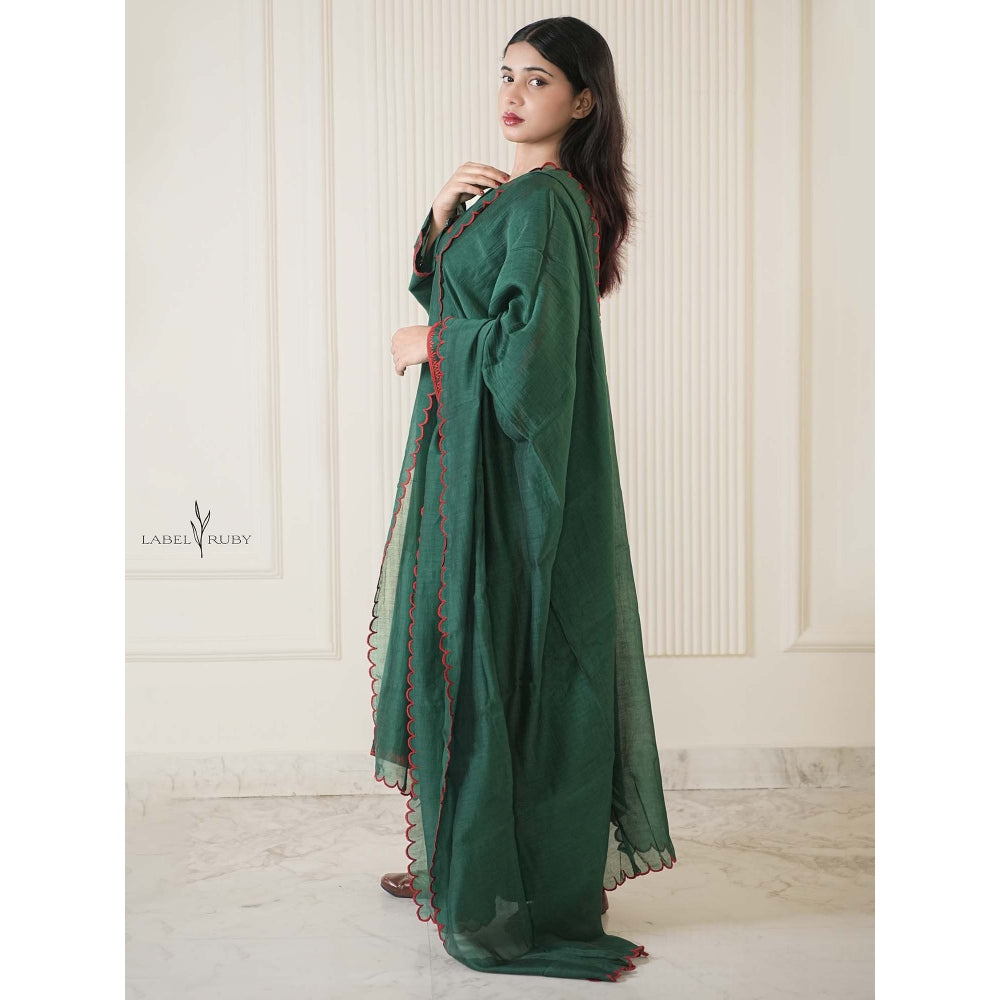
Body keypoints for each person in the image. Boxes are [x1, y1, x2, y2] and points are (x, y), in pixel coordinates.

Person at [366, 15, 677, 984]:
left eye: (537, 80)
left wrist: (428, 346)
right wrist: (438, 219)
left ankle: (499, 876)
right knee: (460, 652)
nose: (512, 93)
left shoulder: (546, 202)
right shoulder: (516, 197)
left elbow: (528, 358)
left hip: (499, 474)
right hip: (466, 460)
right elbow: (465, 298)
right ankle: (462, 855)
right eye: (506, 74)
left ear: (582, 101)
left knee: (488, 656)